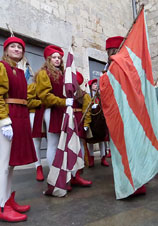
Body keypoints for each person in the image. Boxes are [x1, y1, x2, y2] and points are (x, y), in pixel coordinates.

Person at [0, 36, 37, 222]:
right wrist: (3, 120)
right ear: (6, 50)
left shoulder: (20, 72)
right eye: (13, 46)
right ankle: (2, 207)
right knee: (3, 164)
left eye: (20, 47)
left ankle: (8, 199)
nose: (17, 49)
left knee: (11, 165)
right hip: (7, 116)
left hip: (19, 117)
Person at [35, 45, 91, 187]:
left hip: (65, 111)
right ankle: (56, 178)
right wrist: (63, 101)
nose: (57, 60)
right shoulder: (43, 74)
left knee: (70, 143)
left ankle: (73, 176)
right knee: (53, 144)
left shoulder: (63, 74)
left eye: (59, 57)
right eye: (54, 57)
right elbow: (45, 96)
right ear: (48, 59)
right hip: (53, 111)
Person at [87, 78, 109, 167]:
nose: (96, 86)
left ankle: (103, 158)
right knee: (91, 141)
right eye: (94, 84)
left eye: (96, 84)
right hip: (92, 121)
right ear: (90, 86)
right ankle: (91, 159)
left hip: (100, 121)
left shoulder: (100, 95)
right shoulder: (88, 96)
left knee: (102, 140)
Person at [27, 82, 46, 181]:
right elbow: (28, 101)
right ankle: (38, 167)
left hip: (49, 114)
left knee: (53, 141)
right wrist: (42, 103)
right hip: (35, 115)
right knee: (36, 142)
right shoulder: (34, 85)